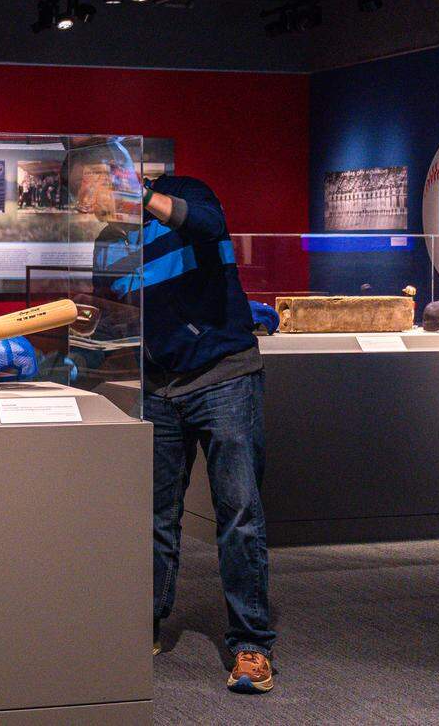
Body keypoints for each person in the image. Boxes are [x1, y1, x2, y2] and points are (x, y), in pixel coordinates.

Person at [94, 174, 276, 694]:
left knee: (238, 514)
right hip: (160, 387)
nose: (86, 198)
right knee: (155, 516)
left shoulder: (187, 191)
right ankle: (145, 626)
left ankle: (252, 645)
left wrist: (142, 196)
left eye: (90, 182)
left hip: (223, 376)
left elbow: (210, 224)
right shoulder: (108, 239)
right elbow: (115, 314)